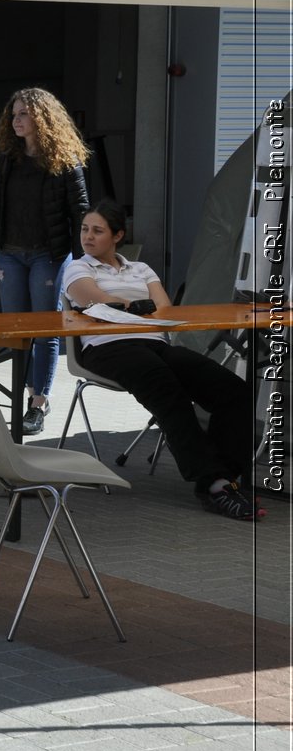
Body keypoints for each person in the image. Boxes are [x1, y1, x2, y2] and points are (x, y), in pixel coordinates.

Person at [65, 202, 262, 521]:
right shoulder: (78, 267)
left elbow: (164, 308)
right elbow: (95, 299)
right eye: (85, 229)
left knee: (231, 389)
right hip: (107, 347)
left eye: (97, 230)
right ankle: (213, 484)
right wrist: (133, 305)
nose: (88, 236)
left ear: (118, 236)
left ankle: (228, 478)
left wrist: (133, 307)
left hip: (154, 343)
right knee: (167, 389)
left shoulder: (141, 269)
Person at [0, 88, 90, 435]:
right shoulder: (6, 159)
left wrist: (80, 264)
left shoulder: (64, 158)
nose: (16, 120)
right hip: (10, 254)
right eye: (14, 114)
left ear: (42, 118)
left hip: (49, 255)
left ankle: (37, 403)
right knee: (17, 331)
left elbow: (80, 211)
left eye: (24, 114)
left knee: (44, 332)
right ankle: (21, 397)